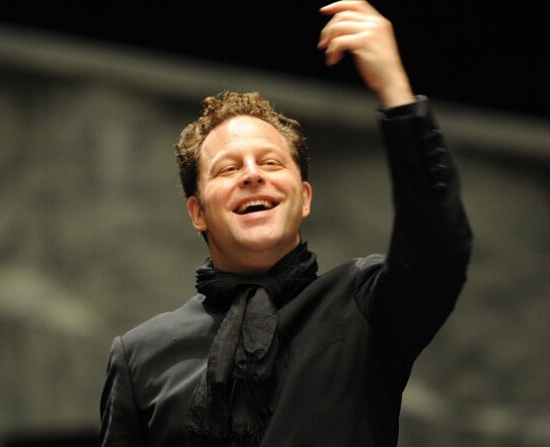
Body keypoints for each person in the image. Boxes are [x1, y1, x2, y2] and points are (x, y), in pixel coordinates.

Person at [100, 1, 472, 445]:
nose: (252, 175)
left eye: (271, 163)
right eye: (228, 168)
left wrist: (396, 93)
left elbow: (438, 247)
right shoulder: (141, 357)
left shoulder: (362, 306)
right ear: (198, 212)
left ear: (304, 198)